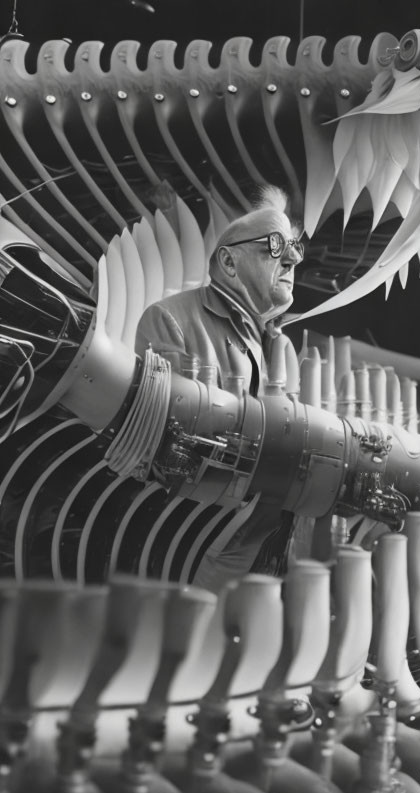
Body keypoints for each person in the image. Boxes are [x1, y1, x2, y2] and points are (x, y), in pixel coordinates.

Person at [135, 186, 304, 588]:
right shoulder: (169, 319)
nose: (293, 259)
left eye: (296, 248)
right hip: (187, 543)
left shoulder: (281, 345)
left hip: (262, 543)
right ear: (228, 261)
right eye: (275, 246)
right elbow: (169, 444)